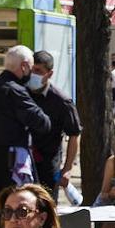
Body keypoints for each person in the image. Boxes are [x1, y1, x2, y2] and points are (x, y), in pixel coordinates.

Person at [0, 46, 51, 228]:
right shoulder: (16, 91)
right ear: (24, 66)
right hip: (11, 166)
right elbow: (43, 123)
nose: (31, 73)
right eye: (31, 68)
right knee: (14, 222)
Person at [28, 51, 82, 201]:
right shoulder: (22, 94)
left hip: (48, 163)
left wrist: (67, 168)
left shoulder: (62, 101)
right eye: (32, 70)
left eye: (38, 71)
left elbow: (74, 134)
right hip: (24, 162)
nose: (33, 74)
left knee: (46, 205)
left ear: (49, 74)